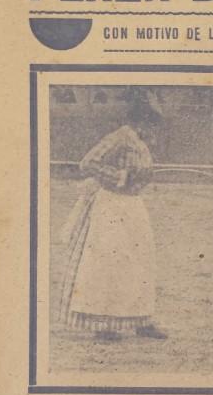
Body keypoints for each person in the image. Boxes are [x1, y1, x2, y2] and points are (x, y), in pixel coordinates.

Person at [59, 91, 167, 343]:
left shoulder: (140, 141)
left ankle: (142, 320)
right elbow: (87, 163)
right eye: (149, 122)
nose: (152, 128)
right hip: (110, 206)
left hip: (133, 206)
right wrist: (119, 176)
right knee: (110, 262)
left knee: (141, 260)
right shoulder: (120, 137)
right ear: (139, 120)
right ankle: (104, 324)